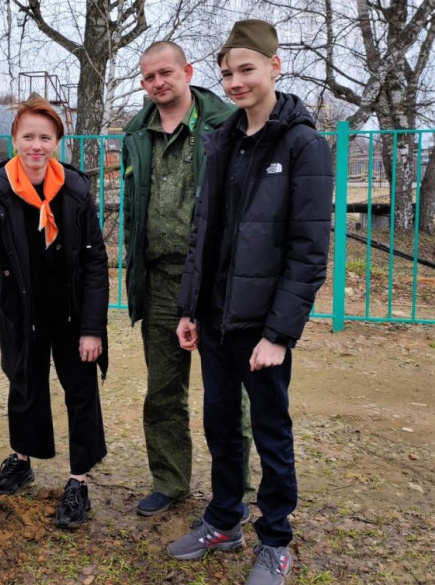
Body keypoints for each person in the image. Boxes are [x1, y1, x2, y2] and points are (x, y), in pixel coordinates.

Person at [167, 20, 333, 585]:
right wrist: (190, 308)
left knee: (270, 429)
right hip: (214, 318)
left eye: (247, 69)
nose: (236, 82)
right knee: (219, 422)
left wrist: (279, 336)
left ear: (274, 66)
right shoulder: (221, 140)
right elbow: (203, 231)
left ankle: (276, 540)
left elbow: (309, 252)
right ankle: (224, 518)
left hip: (262, 327)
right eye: (227, 73)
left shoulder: (304, 144)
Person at [0, 94, 109, 529]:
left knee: (81, 391)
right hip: (22, 308)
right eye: (28, 136)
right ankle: (22, 461)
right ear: (14, 138)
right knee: (24, 384)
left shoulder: (75, 190)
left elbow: (94, 261)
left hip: (71, 313)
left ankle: (78, 481)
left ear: (57, 142)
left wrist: (92, 328)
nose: (37, 145)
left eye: (45, 137)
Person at [122, 40, 255, 517]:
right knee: (163, 390)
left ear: (187, 71)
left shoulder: (225, 125)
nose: (158, 83)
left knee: (227, 394)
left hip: (215, 280)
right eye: (149, 77)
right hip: (160, 279)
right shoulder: (137, 133)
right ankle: (170, 480)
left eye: (165, 73)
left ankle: (234, 490)